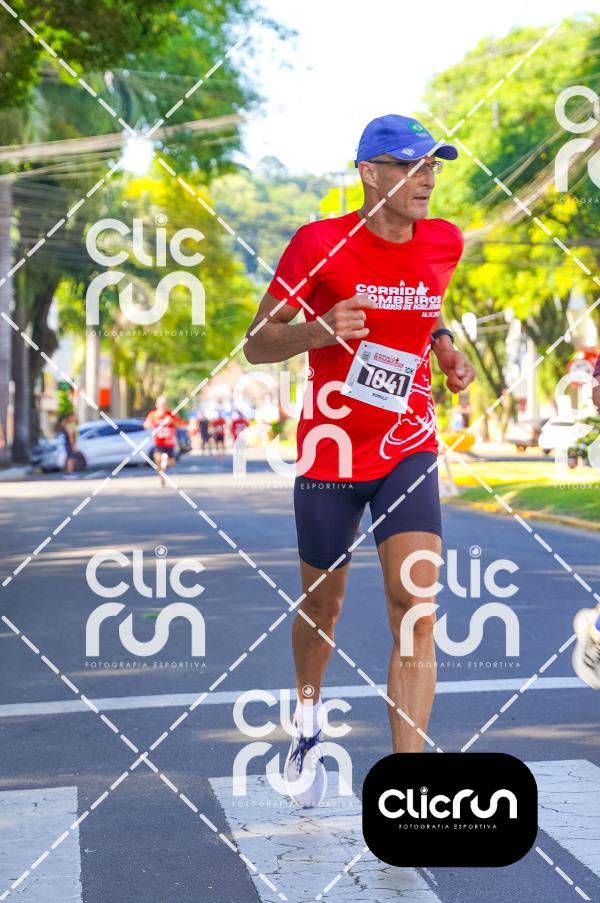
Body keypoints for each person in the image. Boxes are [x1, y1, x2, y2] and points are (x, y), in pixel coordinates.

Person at [245, 114, 475, 807]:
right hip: (332, 450)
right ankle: (307, 714)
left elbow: (425, 305)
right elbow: (257, 342)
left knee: (416, 606)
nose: (426, 179)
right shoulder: (318, 243)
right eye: (410, 165)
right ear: (369, 172)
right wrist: (319, 329)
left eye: (433, 166)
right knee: (324, 604)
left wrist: (444, 347)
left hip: (408, 444)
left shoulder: (445, 241)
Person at [144, 396, 186, 485]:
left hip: (169, 443)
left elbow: (179, 425)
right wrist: (155, 423)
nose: (163, 406)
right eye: (161, 404)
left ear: (167, 405)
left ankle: (165, 463)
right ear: (157, 405)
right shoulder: (153, 414)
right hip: (158, 442)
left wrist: (172, 421)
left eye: (165, 404)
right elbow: (146, 425)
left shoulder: (171, 415)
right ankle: (161, 477)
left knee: (172, 463)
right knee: (157, 459)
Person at [55, 412, 80, 477]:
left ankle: (69, 472)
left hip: (68, 444)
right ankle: (69, 473)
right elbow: (70, 436)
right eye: (73, 417)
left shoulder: (71, 425)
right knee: (70, 459)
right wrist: (73, 446)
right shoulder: (69, 425)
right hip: (69, 444)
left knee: (70, 458)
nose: (74, 418)